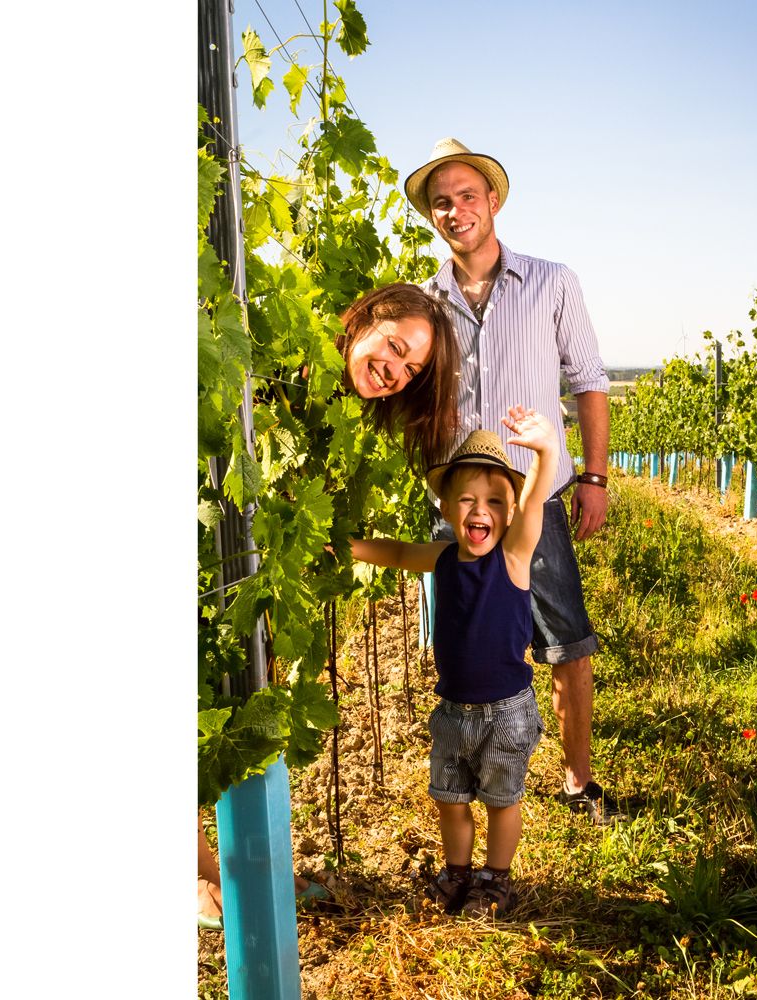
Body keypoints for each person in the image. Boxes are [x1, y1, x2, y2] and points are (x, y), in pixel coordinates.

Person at [199, 281, 460, 928]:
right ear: (368, 318)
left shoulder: (343, 409)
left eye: (412, 368)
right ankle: (195, 882)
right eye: (395, 347)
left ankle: (208, 876)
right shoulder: (285, 367)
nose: (395, 371)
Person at [403, 137, 617, 824]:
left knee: (565, 641)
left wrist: (593, 476)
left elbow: (588, 383)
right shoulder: (425, 304)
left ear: (492, 201)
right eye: (442, 202)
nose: (456, 209)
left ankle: (578, 780)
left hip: (535, 497)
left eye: (468, 195)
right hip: (458, 508)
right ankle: (473, 787)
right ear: (432, 217)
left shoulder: (553, 282)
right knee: (467, 649)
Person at [348, 408, 556, 918]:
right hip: (453, 713)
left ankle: (496, 879)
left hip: (506, 713)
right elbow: (397, 552)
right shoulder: (442, 558)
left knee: (502, 801)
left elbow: (533, 503)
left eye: (492, 502)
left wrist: (547, 451)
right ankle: (458, 872)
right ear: (445, 506)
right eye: (466, 500)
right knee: (450, 797)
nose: (478, 510)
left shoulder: (513, 556)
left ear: (508, 514)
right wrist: (348, 546)